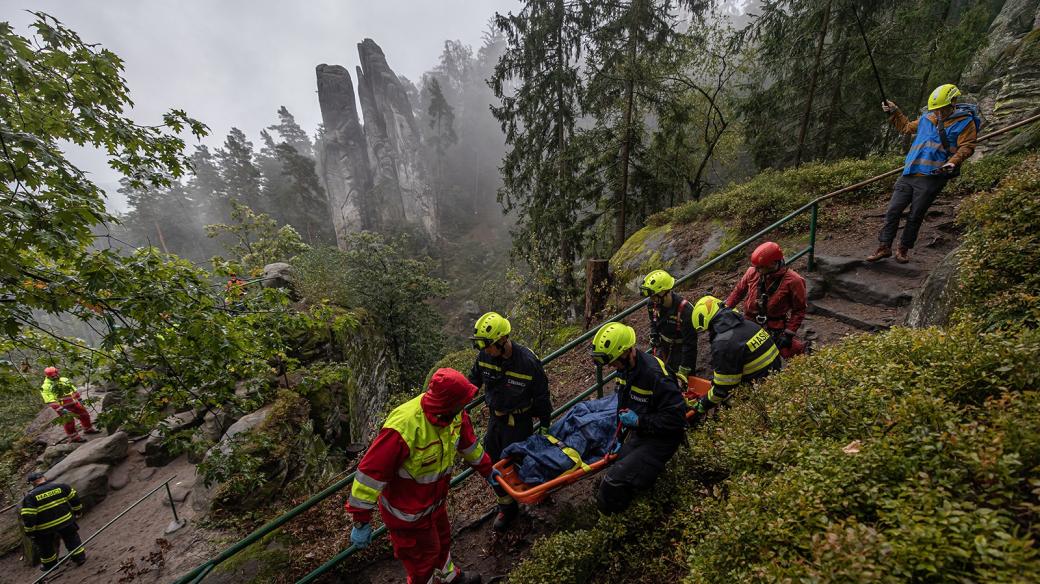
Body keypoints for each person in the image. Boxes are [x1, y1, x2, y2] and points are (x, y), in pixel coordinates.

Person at [344, 368, 491, 584]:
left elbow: (469, 446)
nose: (465, 405)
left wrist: (489, 471)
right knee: (422, 563)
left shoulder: (455, 415)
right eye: (462, 401)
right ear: (447, 403)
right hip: (407, 517)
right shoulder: (403, 427)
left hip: (435, 504)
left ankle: (448, 578)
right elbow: (370, 474)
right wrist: (360, 520)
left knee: (441, 542)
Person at [868, 83, 980, 264]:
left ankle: (903, 249)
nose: (938, 113)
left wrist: (953, 161)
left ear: (953, 102)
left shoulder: (965, 122)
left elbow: (967, 146)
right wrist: (894, 111)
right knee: (893, 211)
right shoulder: (927, 118)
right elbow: (905, 128)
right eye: (935, 110)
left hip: (932, 177)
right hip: (909, 172)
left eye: (941, 110)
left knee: (915, 215)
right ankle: (884, 247)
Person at [467, 312, 551, 531]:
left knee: (519, 462)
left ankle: (537, 494)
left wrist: (545, 423)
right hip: (496, 420)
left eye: (489, 345)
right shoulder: (485, 358)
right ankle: (507, 507)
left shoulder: (527, 362)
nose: (486, 350)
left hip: (520, 421)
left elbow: (542, 395)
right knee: (493, 463)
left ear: (503, 340)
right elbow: (472, 382)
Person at [591, 323, 686, 515]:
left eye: (614, 360)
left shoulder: (655, 375)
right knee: (617, 469)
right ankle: (636, 508)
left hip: (663, 438)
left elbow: (676, 420)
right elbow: (623, 403)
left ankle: (620, 526)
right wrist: (619, 437)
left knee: (613, 483)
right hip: (644, 433)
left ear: (628, 352)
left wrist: (639, 422)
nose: (611, 366)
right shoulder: (625, 370)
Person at [688, 296, 781, 423]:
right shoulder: (747, 324)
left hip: (760, 391)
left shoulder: (724, 343)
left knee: (722, 415)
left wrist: (701, 405)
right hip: (776, 378)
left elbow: (722, 389)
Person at [725, 242, 808, 359]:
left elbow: (799, 309)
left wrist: (789, 334)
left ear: (774, 263)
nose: (757, 270)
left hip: (774, 325)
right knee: (741, 351)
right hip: (749, 321)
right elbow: (738, 292)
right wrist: (725, 308)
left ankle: (803, 356)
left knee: (788, 352)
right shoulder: (752, 272)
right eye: (756, 267)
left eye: (760, 267)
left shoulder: (794, 281)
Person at [639, 270, 698, 385]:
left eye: (654, 296)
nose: (652, 299)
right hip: (663, 346)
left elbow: (690, 344)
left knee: (683, 382)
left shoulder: (685, 311)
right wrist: (654, 335)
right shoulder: (652, 304)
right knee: (660, 377)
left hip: (681, 349)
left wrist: (684, 369)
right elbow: (654, 322)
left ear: (664, 292)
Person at [20, 471, 86, 572]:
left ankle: (50, 566)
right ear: (44, 477)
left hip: (45, 529)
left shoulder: (30, 497)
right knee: (72, 539)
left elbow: (29, 516)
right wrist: (78, 511)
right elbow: (74, 498)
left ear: (32, 483)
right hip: (66, 521)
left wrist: (30, 531)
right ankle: (80, 558)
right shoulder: (61, 486)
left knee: (46, 547)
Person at [40, 367, 98, 443]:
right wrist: (59, 408)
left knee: (84, 414)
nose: (55, 377)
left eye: (55, 375)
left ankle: (88, 429)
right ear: (48, 376)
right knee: (69, 422)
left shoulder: (64, 380)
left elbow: (73, 389)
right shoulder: (45, 387)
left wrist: (79, 399)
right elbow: (49, 400)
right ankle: (74, 437)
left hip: (73, 403)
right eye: (52, 376)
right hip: (62, 407)